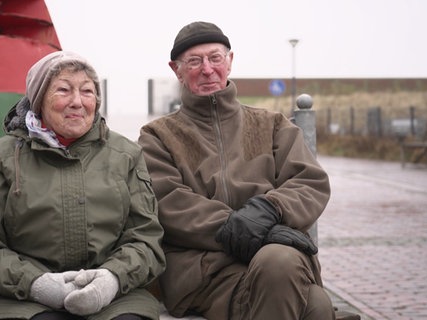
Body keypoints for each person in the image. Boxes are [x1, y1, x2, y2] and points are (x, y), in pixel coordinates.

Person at [138, 21, 334, 320]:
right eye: (194, 61)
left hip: (280, 258)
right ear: (176, 69)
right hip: (206, 272)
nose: (207, 69)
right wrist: (250, 229)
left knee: (310, 299)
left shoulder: (273, 125)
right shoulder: (158, 136)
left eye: (215, 58)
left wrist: (270, 209)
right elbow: (168, 202)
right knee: (312, 303)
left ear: (229, 61)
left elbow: (309, 182)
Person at [0, 51, 166, 320]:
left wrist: (111, 279)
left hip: (114, 299)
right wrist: (36, 284)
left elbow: (145, 238)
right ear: (39, 100)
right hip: (22, 299)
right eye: (64, 90)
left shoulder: (125, 155)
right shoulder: (0, 158)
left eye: (87, 91)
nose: (77, 102)